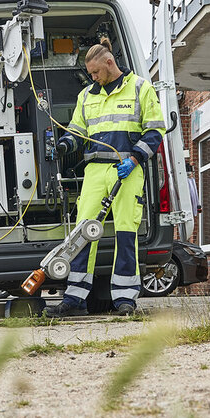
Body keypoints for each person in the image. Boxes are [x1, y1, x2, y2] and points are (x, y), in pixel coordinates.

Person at [46, 36, 165, 317]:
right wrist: (63, 145)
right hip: (96, 171)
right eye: (91, 74)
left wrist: (135, 158)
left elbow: (155, 131)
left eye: (96, 72)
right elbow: (77, 131)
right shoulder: (87, 96)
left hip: (128, 170)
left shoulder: (140, 89)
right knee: (81, 234)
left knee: (126, 232)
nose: (93, 77)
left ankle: (125, 299)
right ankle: (74, 299)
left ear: (110, 63)